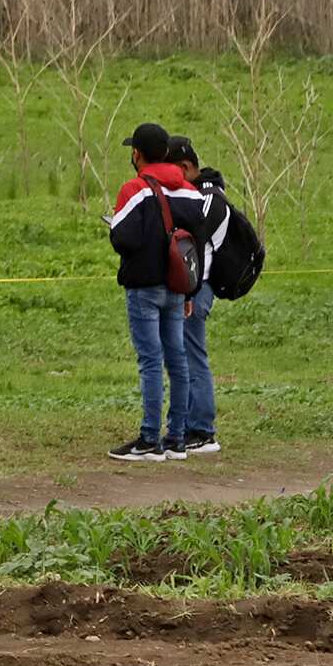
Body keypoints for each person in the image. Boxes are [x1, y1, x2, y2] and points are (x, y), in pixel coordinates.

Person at [103, 122, 207, 463]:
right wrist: (191, 289)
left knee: (150, 361)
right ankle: (176, 437)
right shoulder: (191, 192)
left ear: (137, 154)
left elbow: (123, 238)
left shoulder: (134, 189)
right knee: (177, 360)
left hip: (144, 287)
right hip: (178, 287)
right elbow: (197, 242)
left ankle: (149, 438)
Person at [166, 134, 230, 456]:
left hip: (198, 286)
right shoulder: (199, 193)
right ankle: (191, 425)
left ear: (186, 167)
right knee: (185, 355)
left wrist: (190, 290)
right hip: (192, 285)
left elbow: (196, 244)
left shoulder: (207, 198)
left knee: (193, 356)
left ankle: (203, 430)